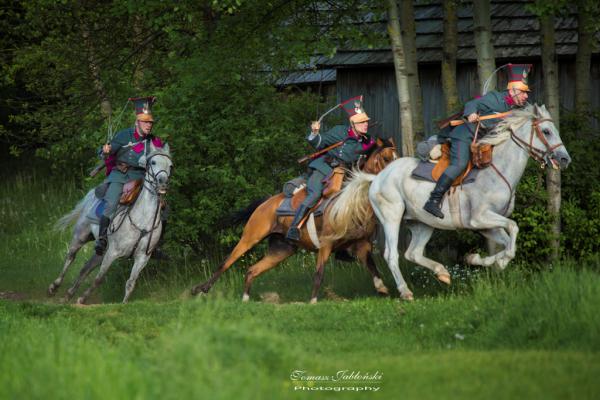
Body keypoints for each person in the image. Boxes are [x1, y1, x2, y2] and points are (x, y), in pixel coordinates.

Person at [423, 63, 532, 219]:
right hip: (464, 136)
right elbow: (472, 104)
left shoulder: (515, 109)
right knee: (459, 164)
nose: (526, 96)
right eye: (523, 92)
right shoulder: (494, 98)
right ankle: (433, 200)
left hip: (481, 144)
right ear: (513, 90)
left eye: (526, 93)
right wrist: (471, 113)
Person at [286, 98, 376, 241]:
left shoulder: (368, 141)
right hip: (324, 167)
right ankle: (294, 228)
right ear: (352, 123)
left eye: (366, 121)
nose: (366, 124)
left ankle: (344, 240)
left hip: (346, 174)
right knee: (315, 193)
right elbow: (319, 142)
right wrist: (315, 133)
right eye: (361, 122)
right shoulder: (339, 131)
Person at [95, 96, 166, 256]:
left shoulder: (154, 141)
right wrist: (105, 151)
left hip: (141, 179)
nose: (149, 125)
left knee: (162, 206)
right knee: (112, 203)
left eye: (150, 122)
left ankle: (156, 245)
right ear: (137, 122)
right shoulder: (124, 136)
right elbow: (107, 152)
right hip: (120, 175)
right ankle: (102, 239)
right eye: (145, 122)